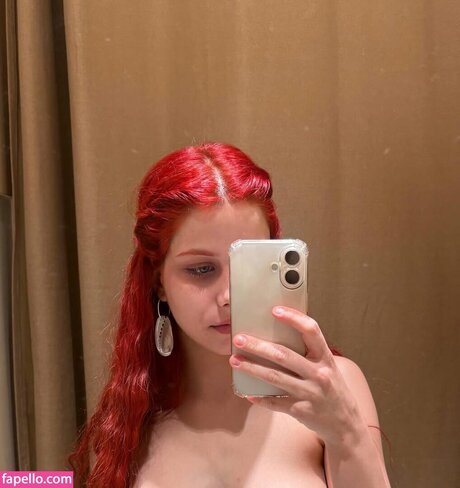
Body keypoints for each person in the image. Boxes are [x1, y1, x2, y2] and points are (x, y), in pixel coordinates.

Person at [68, 142, 391, 487]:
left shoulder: (332, 387)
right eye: (201, 269)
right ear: (158, 281)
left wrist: (346, 431)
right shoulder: (130, 419)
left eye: (247, 266)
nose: (228, 297)